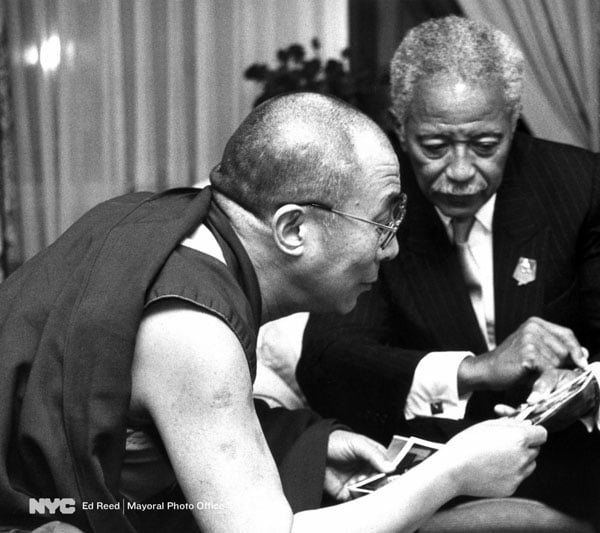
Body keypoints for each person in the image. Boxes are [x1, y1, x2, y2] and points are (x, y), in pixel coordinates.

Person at [0, 92, 546, 533]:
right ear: (292, 229)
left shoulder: (163, 223)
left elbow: (151, 414)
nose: (392, 249)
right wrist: (452, 472)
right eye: (382, 224)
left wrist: (309, 446)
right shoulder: (193, 328)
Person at [298, 16, 600, 533]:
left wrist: (581, 391)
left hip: (564, 443)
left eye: (486, 145)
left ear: (513, 122)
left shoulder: (575, 182)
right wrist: (475, 370)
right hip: (442, 454)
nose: (461, 171)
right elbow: (329, 360)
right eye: (434, 146)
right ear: (400, 127)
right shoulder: (366, 199)